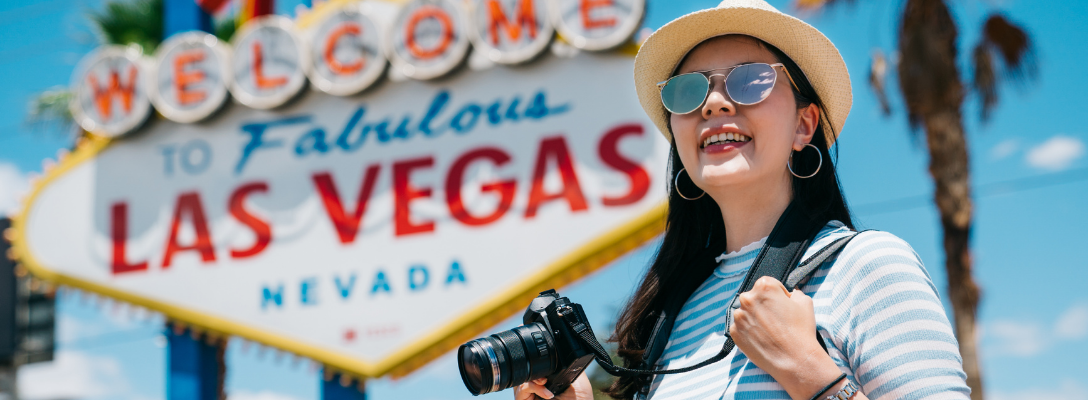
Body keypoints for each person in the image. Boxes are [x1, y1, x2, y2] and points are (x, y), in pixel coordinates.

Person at [514, 1, 972, 399]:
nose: (714, 103)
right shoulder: (672, 312)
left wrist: (812, 376)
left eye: (751, 80)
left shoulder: (866, 267)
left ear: (804, 126)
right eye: (688, 90)